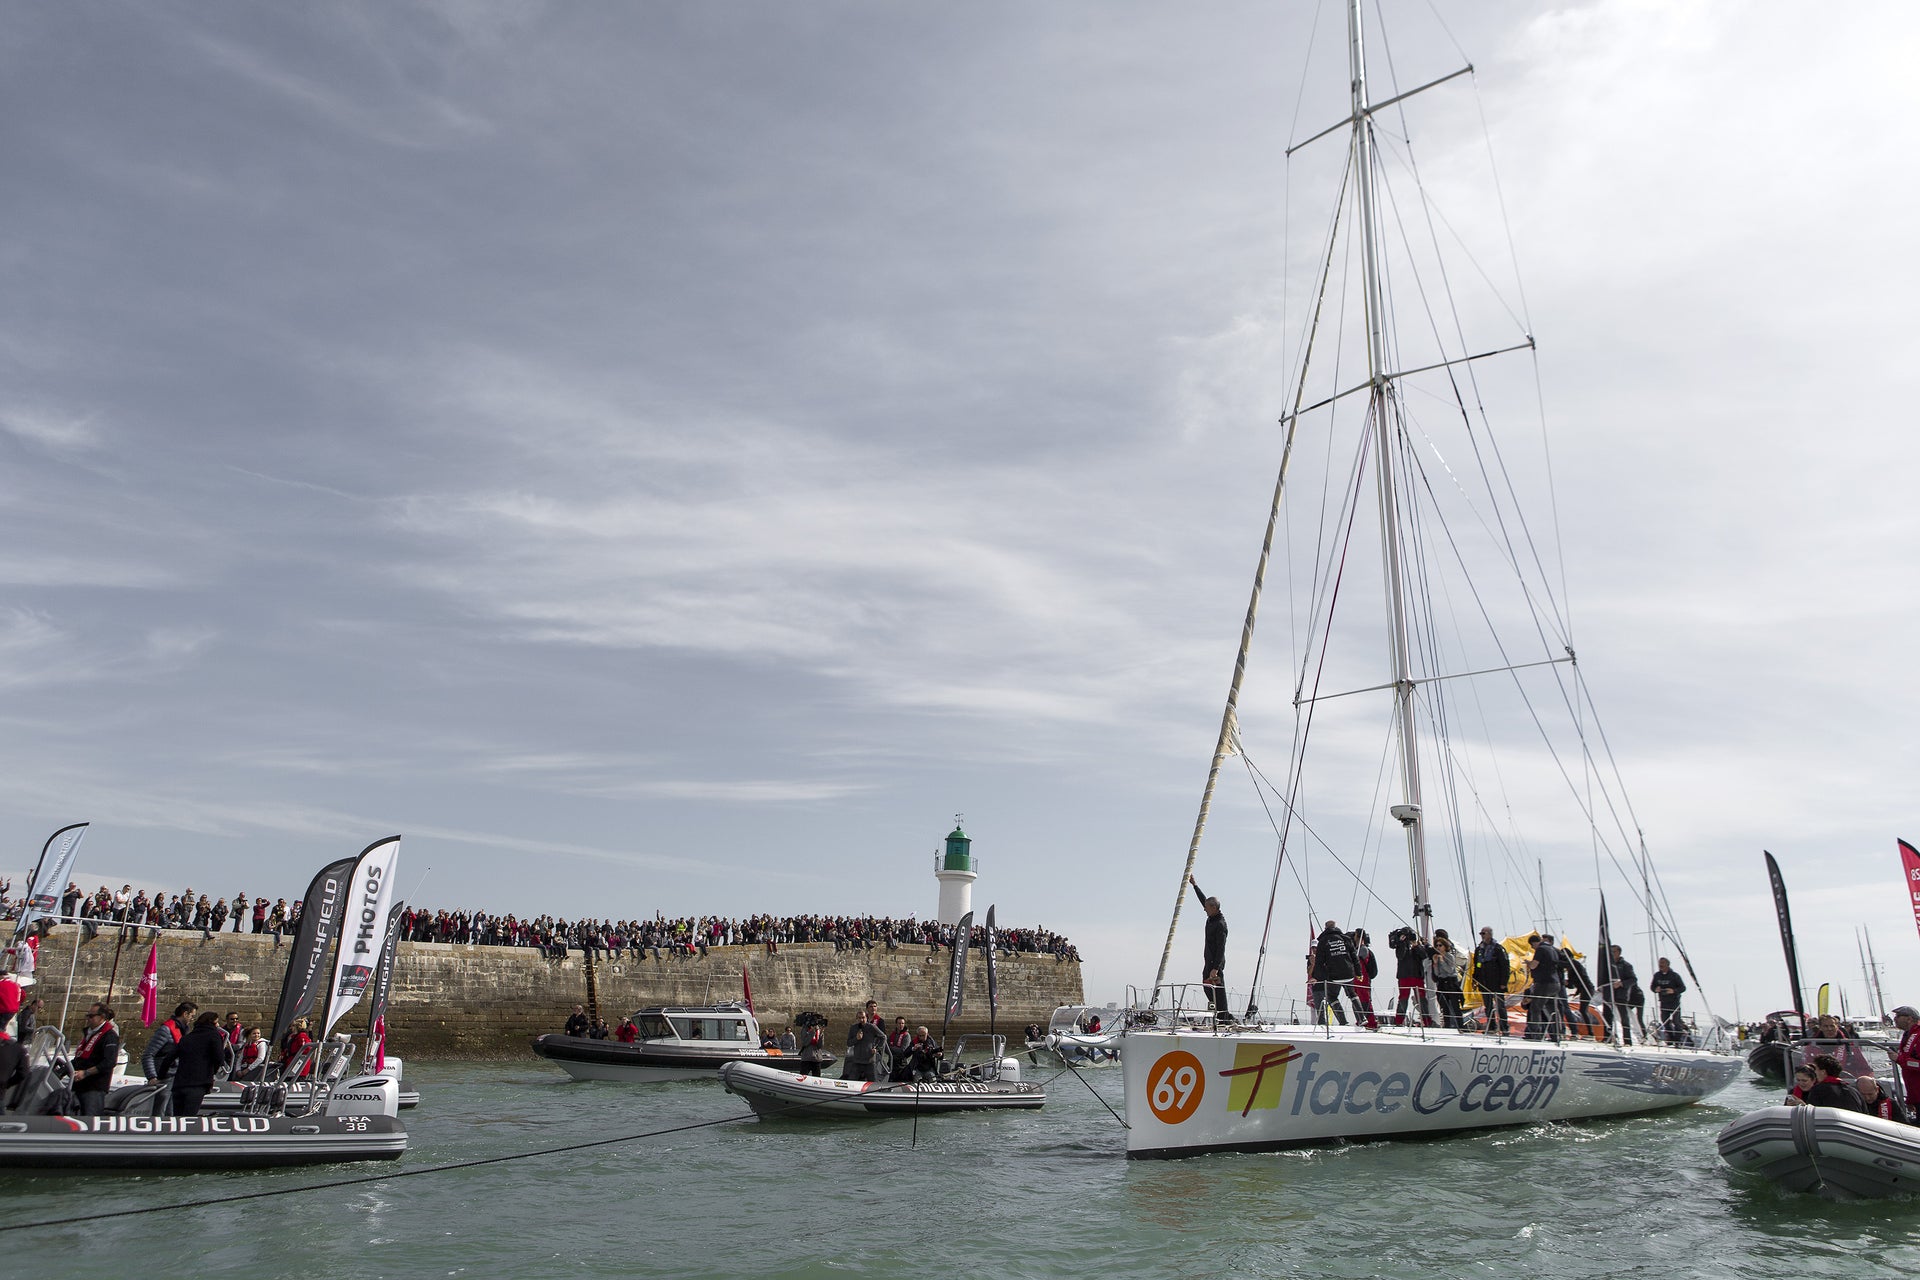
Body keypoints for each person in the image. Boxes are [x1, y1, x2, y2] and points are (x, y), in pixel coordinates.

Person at [170, 1011, 231, 1116]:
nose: (218, 1025)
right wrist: (212, 1072)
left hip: (180, 1084)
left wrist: (160, 1076)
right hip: (198, 1084)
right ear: (212, 1023)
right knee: (189, 1117)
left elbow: (169, 1057)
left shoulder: (187, 1037)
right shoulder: (214, 1036)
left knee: (177, 1117)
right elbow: (219, 1058)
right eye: (216, 1022)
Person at [70, 1003, 121, 1116]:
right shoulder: (89, 1033)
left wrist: (86, 1073)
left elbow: (109, 1062)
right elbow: (80, 1058)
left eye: (91, 1016)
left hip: (94, 1088)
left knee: (90, 1118)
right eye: (87, 1016)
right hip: (79, 1085)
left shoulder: (109, 1036)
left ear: (101, 1017)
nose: (88, 1019)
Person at [1190, 876, 1229, 1021]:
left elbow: (1221, 947)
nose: (1204, 909)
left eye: (1206, 908)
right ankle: (1220, 1013)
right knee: (1207, 986)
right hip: (1209, 961)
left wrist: (1216, 968)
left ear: (1213, 908)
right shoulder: (1211, 917)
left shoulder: (1220, 924)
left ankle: (1224, 1017)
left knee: (1218, 989)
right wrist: (1195, 885)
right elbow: (1204, 901)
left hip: (1215, 963)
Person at [1311, 920, 1354, 1026]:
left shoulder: (1327, 946)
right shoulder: (1312, 958)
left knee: (1333, 1000)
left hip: (1330, 981)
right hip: (1318, 986)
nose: (1315, 949)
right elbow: (1310, 972)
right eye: (1313, 948)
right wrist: (1313, 964)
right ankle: (1322, 1024)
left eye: (1316, 947)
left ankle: (1343, 1022)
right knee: (1320, 1008)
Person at [142, 1001, 198, 1082]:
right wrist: (152, 1077)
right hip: (163, 1077)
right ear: (185, 1014)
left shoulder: (184, 1031)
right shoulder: (165, 1030)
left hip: (177, 1076)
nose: (192, 1019)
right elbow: (148, 1055)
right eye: (192, 1016)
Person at [1525, 934, 1566, 1043]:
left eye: (1532, 946)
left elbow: (1534, 965)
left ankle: (1536, 1034)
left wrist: (1528, 963)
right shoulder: (1553, 949)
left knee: (1535, 1008)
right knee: (1552, 1009)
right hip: (1556, 983)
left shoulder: (1540, 949)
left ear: (1534, 943)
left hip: (1544, 983)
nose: (1533, 948)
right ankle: (1557, 1035)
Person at [1389, 927, 1432, 1027]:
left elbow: (1424, 955)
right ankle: (1399, 1021)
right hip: (1404, 976)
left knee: (1422, 999)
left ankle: (1427, 1021)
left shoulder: (1418, 946)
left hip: (1417, 975)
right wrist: (1402, 943)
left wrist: (1416, 945)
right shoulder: (1400, 945)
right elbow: (1400, 956)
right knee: (1403, 999)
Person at [1471, 927, 1510, 1034]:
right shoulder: (1479, 950)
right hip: (1484, 983)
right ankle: (1492, 1027)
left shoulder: (1498, 949)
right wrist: (1475, 979)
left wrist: (1503, 982)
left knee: (1500, 1007)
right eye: (1481, 934)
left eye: (1484, 933)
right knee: (1488, 1006)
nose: (1482, 935)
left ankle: (1504, 1028)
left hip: (1497, 984)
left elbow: (1505, 966)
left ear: (1490, 934)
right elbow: (1477, 965)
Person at [1795, 1054, 1865, 1112]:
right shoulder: (1855, 1091)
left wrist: (1803, 1106)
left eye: (1816, 1069)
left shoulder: (1818, 1090)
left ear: (1823, 1072)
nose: (1815, 1072)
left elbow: (1813, 1114)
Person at [1599, 944, 1638, 1046]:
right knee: (1607, 1015)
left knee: (1623, 1017)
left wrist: (1621, 983)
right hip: (1608, 994)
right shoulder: (1607, 966)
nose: (1612, 954)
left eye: (1614, 952)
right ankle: (1607, 1038)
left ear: (1619, 953)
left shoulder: (1626, 965)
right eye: (1610, 952)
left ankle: (1627, 1040)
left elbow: (1633, 979)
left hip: (1620, 995)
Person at [1430, 931, 1465, 1029]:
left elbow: (1450, 970)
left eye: (1440, 945)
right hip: (1442, 983)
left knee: (1455, 1006)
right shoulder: (1436, 957)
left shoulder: (1449, 956)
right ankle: (1447, 1025)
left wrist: (1442, 961)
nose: (1438, 947)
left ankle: (1461, 1025)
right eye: (1436, 946)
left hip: (1451, 982)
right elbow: (1437, 973)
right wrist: (1435, 964)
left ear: (1445, 946)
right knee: (1444, 1007)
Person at [1649, 957, 1687, 1046]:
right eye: (1659, 963)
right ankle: (1670, 1039)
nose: (1660, 965)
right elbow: (1652, 986)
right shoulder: (1657, 975)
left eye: (1662, 963)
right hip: (1663, 1002)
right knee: (1665, 1021)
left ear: (1667, 964)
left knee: (1676, 1022)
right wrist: (1655, 989)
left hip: (1674, 1002)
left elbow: (1683, 988)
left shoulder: (1674, 976)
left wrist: (1673, 991)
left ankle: (1678, 1041)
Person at [1348, 930, 1380, 1030]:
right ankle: (1360, 1020)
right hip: (1356, 981)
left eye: (1355, 935)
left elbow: (1358, 961)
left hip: (1363, 980)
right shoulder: (1357, 949)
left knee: (1365, 1001)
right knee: (1357, 1002)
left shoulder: (1363, 949)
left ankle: (1371, 1023)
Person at [843, 1010, 885, 1082]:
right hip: (857, 1061)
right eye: (859, 1018)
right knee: (851, 1081)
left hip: (869, 1061)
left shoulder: (872, 1027)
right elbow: (849, 1043)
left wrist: (877, 1048)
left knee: (873, 1082)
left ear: (866, 1018)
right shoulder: (853, 1028)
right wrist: (856, 1039)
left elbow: (883, 1037)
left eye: (863, 1017)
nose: (861, 1020)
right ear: (856, 1018)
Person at [1893, 1006, 1920, 1103]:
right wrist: (1910, 1099)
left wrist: (1899, 1059)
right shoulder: (1908, 1035)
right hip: (1915, 1096)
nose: (1894, 1019)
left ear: (1909, 1019)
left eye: (1898, 1016)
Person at [887, 1017, 914, 1083]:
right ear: (896, 1024)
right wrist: (891, 1049)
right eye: (899, 1023)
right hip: (891, 1062)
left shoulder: (906, 1035)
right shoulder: (892, 1034)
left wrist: (891, 1048)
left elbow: (903, 1050)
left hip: (901, 1064)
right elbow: (886, 1047)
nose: (901, 1025)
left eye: (902, 1023)